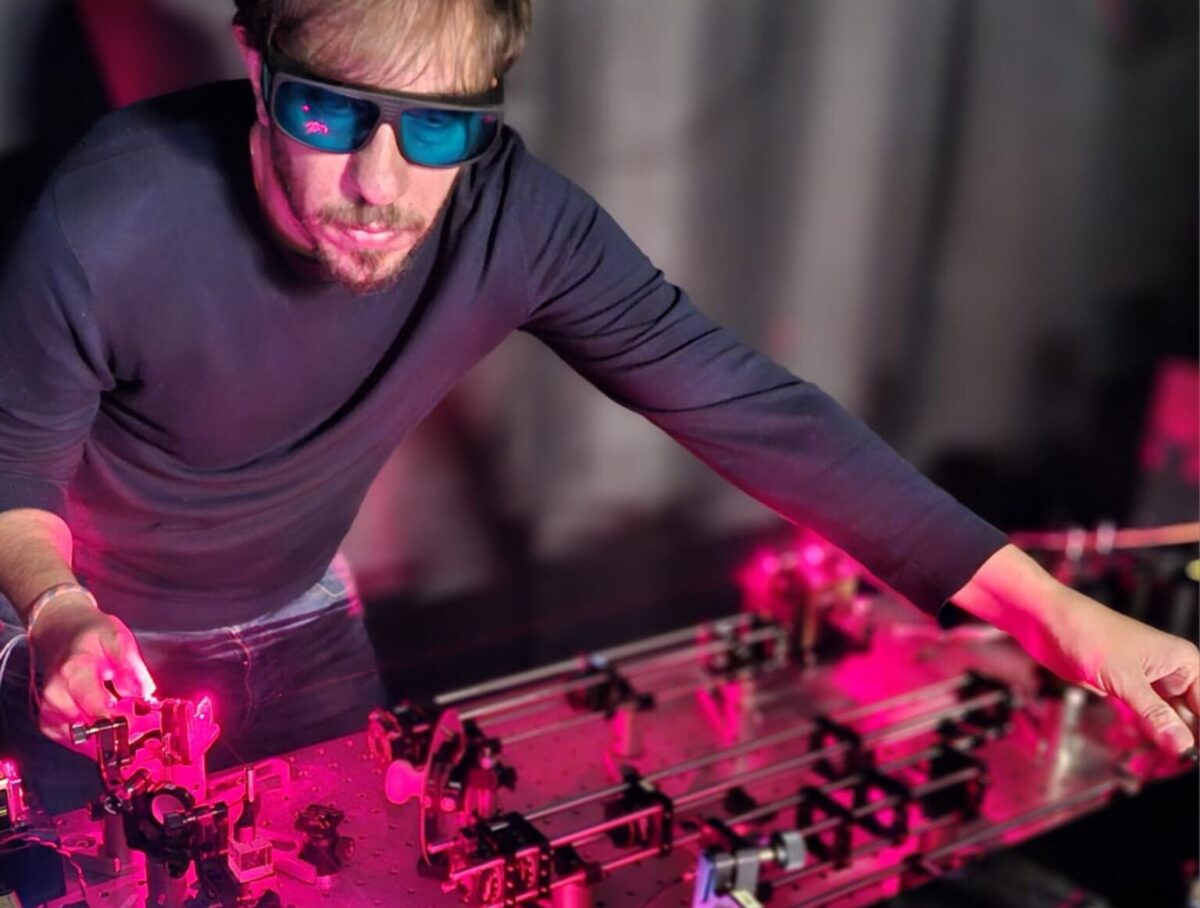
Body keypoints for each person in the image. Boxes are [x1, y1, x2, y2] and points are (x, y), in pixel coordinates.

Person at [0, 0, 1195, 813]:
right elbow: (14, 470)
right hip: (76, 626)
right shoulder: (109, 213)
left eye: (437, 125)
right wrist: (57, 608)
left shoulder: (515, 221)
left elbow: (757, 412)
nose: (377, 183)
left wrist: (1057, 618)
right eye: (329, 111)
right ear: (257, 70)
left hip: (301, 612)